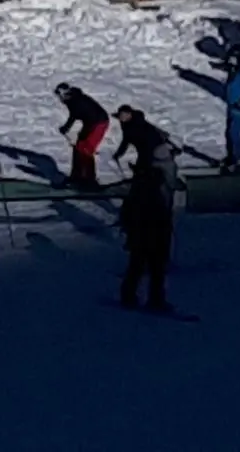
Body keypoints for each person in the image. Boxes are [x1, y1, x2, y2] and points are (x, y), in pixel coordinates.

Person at [119, 147, 177, 312]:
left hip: (145, 235)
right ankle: (152, 298)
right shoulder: (151, 193)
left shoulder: (140, 191)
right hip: (150, 234)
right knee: (151, 268)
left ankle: (132, 295)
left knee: (140, 267)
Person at [55, 83, 110, 189]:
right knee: (78, 147)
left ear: (65, 94)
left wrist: (66, 128)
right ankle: (76, 176)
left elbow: (74, 115)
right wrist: (66, 128)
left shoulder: (76, 101)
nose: (59, 98)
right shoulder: (71, 99)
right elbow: (74, 115)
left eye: (60, 95)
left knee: (86, 149)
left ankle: (90, 180)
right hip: (89, 122)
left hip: (99, 122)